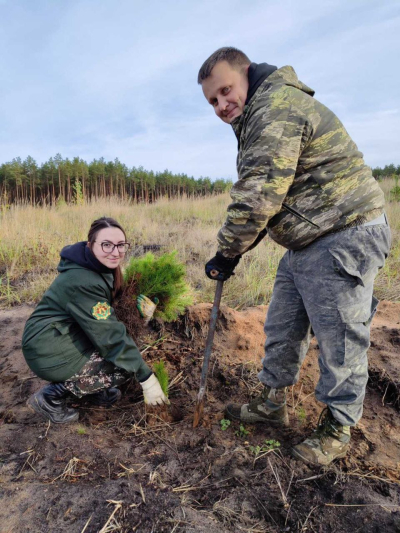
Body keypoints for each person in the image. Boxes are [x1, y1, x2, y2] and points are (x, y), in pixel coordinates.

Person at [198, 47, 391, 466]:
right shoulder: (255, 115)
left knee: (340, 338)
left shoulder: (274, 109)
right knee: (282, 326)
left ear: (246, 73)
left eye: (226, 91)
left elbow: (259, 196)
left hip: (343, 232)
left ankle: (339, 426)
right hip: (307, 239)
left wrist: (226, 254)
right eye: (212, 100)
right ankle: (272, 402)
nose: (221, 105)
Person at [22, 216, 168, 424]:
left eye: (120, 245)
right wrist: (147, 378)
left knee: (122, 354)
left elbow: (109, 314)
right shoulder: (83, 281)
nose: (115, 252)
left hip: (61, 336)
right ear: (91, 245)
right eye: (106, 245)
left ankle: (93, 390)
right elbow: (110, 335)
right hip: (47, 349)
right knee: (125, 367)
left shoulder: (98, 266)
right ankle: (51, 397)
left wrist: (141, 314)